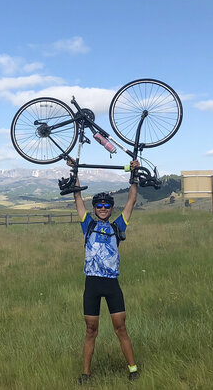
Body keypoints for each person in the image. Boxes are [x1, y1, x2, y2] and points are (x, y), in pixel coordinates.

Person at [69, 159, 140, 385]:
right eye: (98, 206)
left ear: (111, 208)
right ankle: (86, 374)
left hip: (111, 285)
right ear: (94, 209)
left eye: (106, 206)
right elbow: (77, 197)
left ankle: (133, 369)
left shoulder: (118, 226)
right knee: (91, 330)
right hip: (92, 284)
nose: (102, 209)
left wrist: (135, 174)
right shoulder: (87, 225)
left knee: (121, 328)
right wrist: (75, 170)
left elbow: (132, 200)